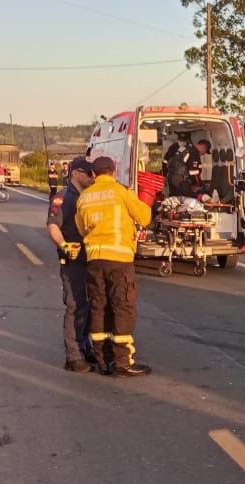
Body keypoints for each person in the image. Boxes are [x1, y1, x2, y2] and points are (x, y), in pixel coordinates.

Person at [75, 156, 153, 378]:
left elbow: (81, 229)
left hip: (93, 260)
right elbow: (145, 217)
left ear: (93, 174)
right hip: (119, 258)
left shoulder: (84, 197)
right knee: (123, 307)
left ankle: (103, 360)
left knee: (99, 308)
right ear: (114, 171)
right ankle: (122, 362)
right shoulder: (121, 192)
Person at [47, 156, 97, 373]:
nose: (92, 177)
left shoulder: (89, 197)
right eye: (88, 173)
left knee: (89, 305)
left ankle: (85, 347)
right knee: (75, 305)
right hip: (73, 259)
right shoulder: (63, 197)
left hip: (91, 259)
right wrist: (64, 245)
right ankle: (73, 357)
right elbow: (53, 226)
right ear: (75, 173)